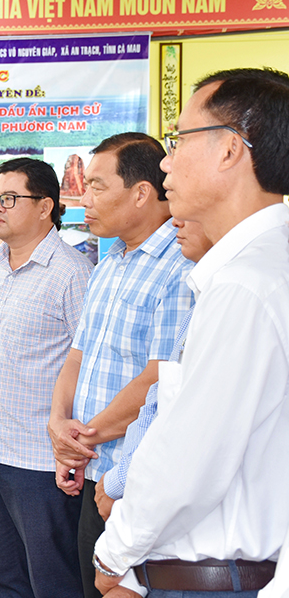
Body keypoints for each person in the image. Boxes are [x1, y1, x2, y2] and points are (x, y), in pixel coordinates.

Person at [93, 68, 289, 597]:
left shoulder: (246, 287)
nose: (165, 162)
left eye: (179, 140)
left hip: (212, 580)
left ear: (230, 149)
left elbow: (191, 459)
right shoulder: (257, 270)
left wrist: (113, 555)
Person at [46, 133, 193, 598]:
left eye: (96, 186)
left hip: (136, 478)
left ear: (142, 192)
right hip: (93, 471)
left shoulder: (181, 262)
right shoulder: (109, 261)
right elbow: (77, 355)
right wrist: (58, 426)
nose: (83, 199)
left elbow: (160, 378)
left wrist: (80, 441)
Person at [0, 158, 93, 598]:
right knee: (1, 580)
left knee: (52, 583)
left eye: (9, 199)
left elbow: (86, 367)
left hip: (40, 464)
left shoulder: (73, 274)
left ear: (45, 207)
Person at [92, 217, 212, 597]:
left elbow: (175, 425)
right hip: (136, 511)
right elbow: (157, 403)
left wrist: (115, 554)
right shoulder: (209, 290)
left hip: (196, 554)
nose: (175, 222)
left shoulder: (236, 291)